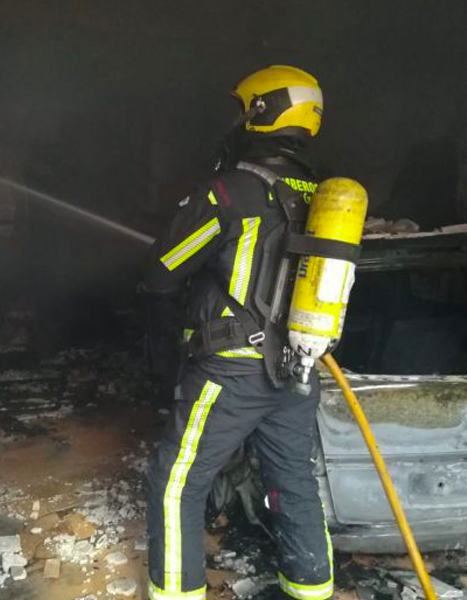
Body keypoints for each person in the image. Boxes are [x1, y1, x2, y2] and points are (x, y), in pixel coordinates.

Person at [142, 65, 333, 600]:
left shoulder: (231, 190)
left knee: (176, 481)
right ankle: (310, 589)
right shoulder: (322, 196)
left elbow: (162, 272)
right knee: (294, 481)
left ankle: (177, 593)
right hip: (298, 370)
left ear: (260, 112)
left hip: (232, 370)